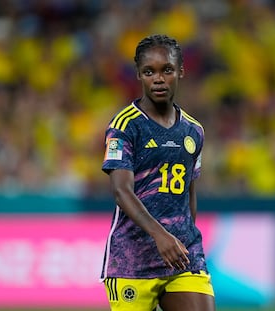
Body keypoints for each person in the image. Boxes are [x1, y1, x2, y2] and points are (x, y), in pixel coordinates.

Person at [101, 34, 215, 311]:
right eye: (149, 71)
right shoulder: (125, 126)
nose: (159, 78)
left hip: (181, 256)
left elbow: (189, 190)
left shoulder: (193, 130)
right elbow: (121, 191)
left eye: (167, 70)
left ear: (181, 71)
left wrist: (183, 236)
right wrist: (160, 235)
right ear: (139, 75)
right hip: (132, 260)